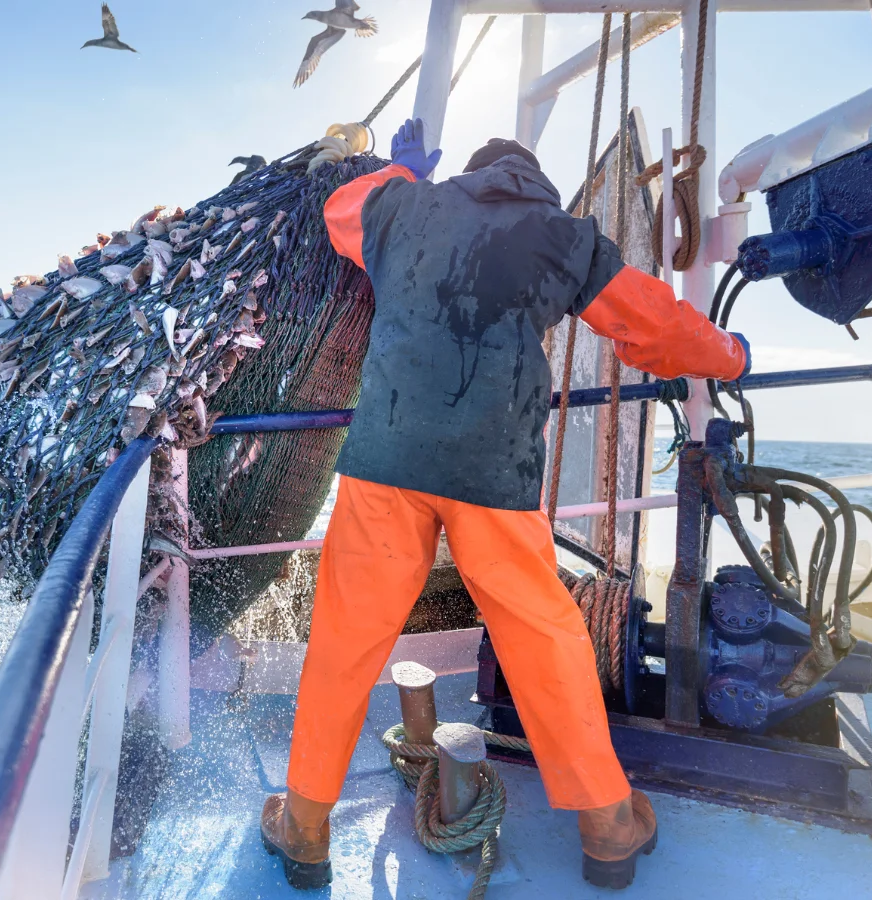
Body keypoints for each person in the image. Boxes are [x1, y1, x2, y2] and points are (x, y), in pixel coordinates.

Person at [259, 119, 750, 891]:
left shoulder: (401, 208)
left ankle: (308, 827)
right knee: (544, 637)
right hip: (495, 473)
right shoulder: (563, 236)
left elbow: (339, 209)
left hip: (387, 461)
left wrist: (402, 174)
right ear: (538, 187)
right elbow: (651, 326)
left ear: (467, 179)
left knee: (347, 640)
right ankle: (608, 827)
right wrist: (731, 354)